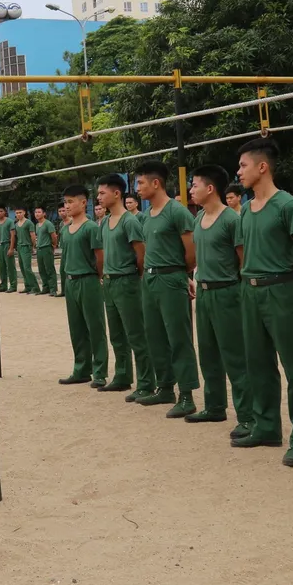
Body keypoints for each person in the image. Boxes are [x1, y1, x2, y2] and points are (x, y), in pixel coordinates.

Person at [231, 137, 293, 467]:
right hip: (249, 290)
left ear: (262, 167)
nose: (238, 171)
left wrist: (284, 282)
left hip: (280, 289)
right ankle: (266, 426)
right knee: (258, 363)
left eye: (243, 165)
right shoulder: (245, 209)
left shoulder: (288, 206)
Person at [132, 161, 199, 417]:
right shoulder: (147, 216)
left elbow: (191, 253)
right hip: (150, 280)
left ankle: (187, 394)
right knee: (155, 335)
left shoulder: (177, 212)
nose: (137, 188)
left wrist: (181, 275)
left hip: (171, 279)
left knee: (178, 337)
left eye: (141, 183)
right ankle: (165, 387)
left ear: (156, 183)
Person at [188, 164, 250, 431]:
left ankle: (248, 416)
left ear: (210, 188)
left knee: (235, 356)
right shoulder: (198, 218)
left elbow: (243, 260)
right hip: (204, 293)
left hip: (227, 292)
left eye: (195, 185)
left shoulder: (231, 220)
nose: (191, 190)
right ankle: (214, 406)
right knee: (209, 353)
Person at [96, 173, 151, 397]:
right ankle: (122, 376)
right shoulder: (106, 222)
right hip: (109, 282)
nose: (98, 197)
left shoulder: (130, 221)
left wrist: (133, 278)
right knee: (117, 334)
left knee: (136, 334)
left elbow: (141, 255)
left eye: (102, 193)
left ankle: (146, 382)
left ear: (116, 193)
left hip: (127, 281)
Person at [57, 185, 108, 386]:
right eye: (65, 202)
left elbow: (99, 257)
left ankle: (100, 372)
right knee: (76, 328)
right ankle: (81, 369)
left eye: (71, 201)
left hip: (88, 280)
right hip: (71, 282)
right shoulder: (66, 229)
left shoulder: (91, 228)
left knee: (95, 327)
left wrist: (98, 276)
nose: (67, 206)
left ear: (83, 202)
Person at [13, 208, 39, 294]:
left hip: (26, 246)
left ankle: (35, 287)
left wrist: (33, 246)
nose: (18, 214)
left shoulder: (28, 223)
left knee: (27, 268)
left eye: (20, 212)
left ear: (24, 212)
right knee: (22, 268)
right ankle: (27, 286)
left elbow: (33, 235)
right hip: (19, 247)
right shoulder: (16, 224)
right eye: (17, 213)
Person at [34, 206, 58, 296]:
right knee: (41, 269)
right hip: (39, 249)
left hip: (46, 248)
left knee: (49, 269)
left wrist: (53, 245)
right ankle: (45, 287)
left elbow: (54, 236)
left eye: (39, 212)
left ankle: (53, 289)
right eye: (36, 212)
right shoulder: (37, 225)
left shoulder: (48, 224)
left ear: (44, 213)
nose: (37, 214)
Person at [0, 206, 17, 293]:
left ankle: (13, 285)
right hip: (0, 245)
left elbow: (12, 235)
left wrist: (11, 248)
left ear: (5, 212)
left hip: (7, 244)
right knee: (1, 267)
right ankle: (3, 285)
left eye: (1, 211)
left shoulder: (9, 222)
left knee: (10, 266)